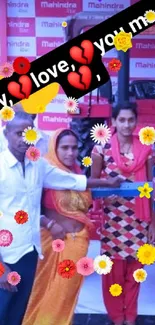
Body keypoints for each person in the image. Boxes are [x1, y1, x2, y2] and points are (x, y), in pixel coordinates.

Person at [0, 113, 124, 325]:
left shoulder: (37, 165)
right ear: (6, 134)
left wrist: (108, 183)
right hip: (6, 256)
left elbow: (72, 180)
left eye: (28, 133)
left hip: (30, 251)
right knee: (2, 310)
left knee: (19, 311)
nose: (23, 138)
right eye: (18, 133)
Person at [91, 102, 155, 325]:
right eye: (122, 120)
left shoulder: (146, 151)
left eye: (131, 120)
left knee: (135, 275)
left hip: (139, 222)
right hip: (112, 224)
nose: (127, 125)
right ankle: (117, 317)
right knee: (113, 276)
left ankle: (130, 318)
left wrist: (152, 225)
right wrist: (105, 197)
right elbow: (94, 188)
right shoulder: (100, 150)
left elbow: (150, 192)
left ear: (136, 122)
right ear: (114, 122)